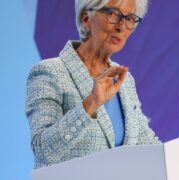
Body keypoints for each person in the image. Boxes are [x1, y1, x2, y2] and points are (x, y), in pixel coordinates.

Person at [25, 0, 160, 169]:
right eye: (112, 14)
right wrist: (91, 103)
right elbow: (43, 150)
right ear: (86, 18)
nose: (121, 26)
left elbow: (146, 142)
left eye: (130, 18)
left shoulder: (125, 80)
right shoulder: (50, 72)